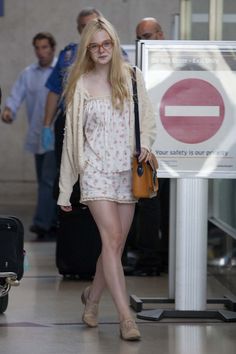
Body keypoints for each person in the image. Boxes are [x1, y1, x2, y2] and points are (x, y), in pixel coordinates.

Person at [58, 18, 156, 341]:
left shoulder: (131, 77)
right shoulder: (81, 85)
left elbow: (148, 120)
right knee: (112, 237)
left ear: (114, 44)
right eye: (95, 45)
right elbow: (72, 142)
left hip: (127, 172)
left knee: (113, 245)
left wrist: (146, 145)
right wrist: (64, 189)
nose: (101, 50)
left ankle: (92, 299)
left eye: (107, 44)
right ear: (87, 48)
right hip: (95, 171)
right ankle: (126, 318)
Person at [1, 32, 58, 240]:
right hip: (37, 136)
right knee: (45, 180)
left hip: (54, 134)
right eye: (37, 48)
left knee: (48, 180)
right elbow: (16, 95)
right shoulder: (28, 73)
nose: (41, 52)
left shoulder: (60, 71)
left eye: (45, 47)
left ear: (52, 48)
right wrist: (9, 110)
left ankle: (41, 223)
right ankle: (52, 222)